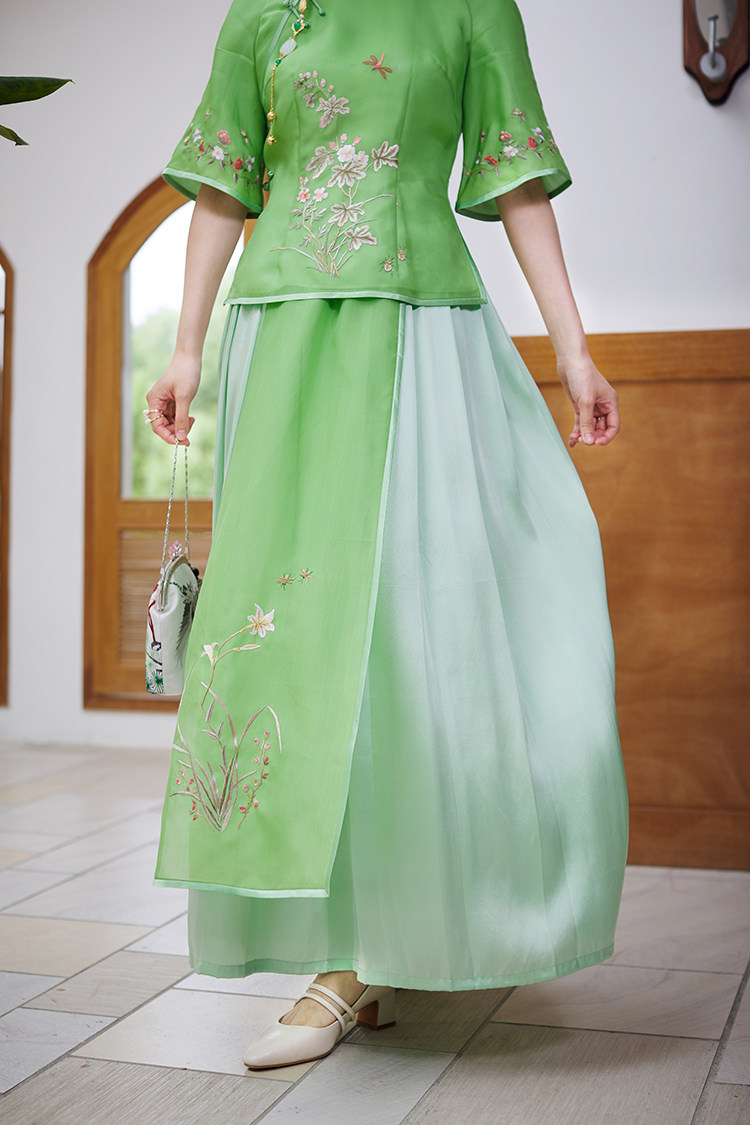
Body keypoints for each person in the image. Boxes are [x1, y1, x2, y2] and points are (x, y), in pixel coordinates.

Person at [147, 0, 629, 1071]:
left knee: (414, 627)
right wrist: (185, 349)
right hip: (282, 336)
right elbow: (223, 187)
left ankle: (381, 941)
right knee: (301, 639)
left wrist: (574, 350)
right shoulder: (262, 13)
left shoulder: (469, 7)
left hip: (421, 333)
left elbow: (516, 183)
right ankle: (351, 951)